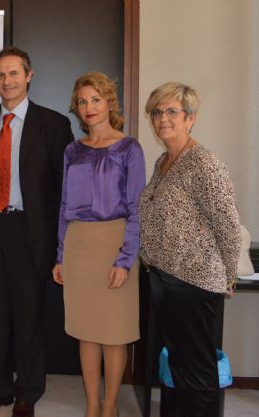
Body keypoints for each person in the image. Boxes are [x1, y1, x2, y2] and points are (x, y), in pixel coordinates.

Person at [0, 46, 74, 417]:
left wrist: (58, 243)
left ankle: (27, 392)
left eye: (14, 73)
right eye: (0, 75)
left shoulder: (54, 124)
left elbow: (62, 189)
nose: (7, 81)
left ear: (28, 75)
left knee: (28, 316)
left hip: (30, 230)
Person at [139, 82, 241, 417]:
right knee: (179, 365)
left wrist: (227, 274)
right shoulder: (163, 161)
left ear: (190, 118)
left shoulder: (204, 163)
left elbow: (228, 225)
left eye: (171, 111)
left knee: (196, 370)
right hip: (165, 278)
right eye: (157, 112)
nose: (163, 119)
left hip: (194, 282)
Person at [51, 71, 145, 417]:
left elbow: (137, 208)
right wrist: (60, 254)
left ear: (109, 103)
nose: (88, 107)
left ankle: (109, 406)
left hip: (115, 242)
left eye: (95, 99)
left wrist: (124, 259)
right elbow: (63, 206)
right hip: (78, 244)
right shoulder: (72, 150)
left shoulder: (129, 148)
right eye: (82, 101)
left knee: (114, 332)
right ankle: (91, 405)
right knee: (86, 330)